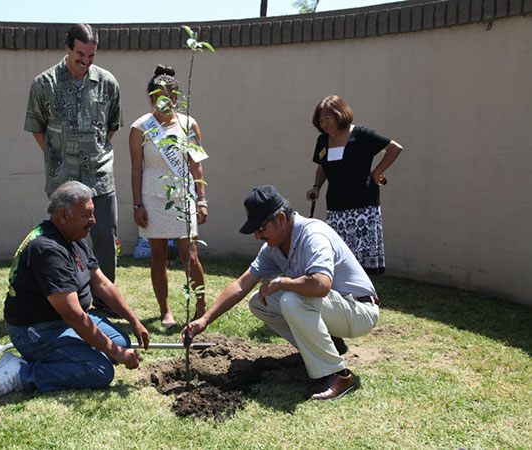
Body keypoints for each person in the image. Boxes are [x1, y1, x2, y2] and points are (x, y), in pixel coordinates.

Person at [183, 185, 380, 401]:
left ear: (281, 218)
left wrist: (279, 282)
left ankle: (338, 375)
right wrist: (205, 320)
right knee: (258, 302)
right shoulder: (273, 247)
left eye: (261, 228)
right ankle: (330, 346)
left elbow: (321, 285)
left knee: (291, 299)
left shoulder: (313, 234)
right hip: (335, 309)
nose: (257, 236)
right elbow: (241, 285)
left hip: (358, 310)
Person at [0, 181, 149, 404]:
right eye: (87, 215)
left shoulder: (73, 239)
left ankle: (79, 351)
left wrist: (134, 320)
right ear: (63, 215)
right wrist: (115, 353)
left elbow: (102, 285)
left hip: (62, 321)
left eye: (93, 213)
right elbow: (73, 315)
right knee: (99, 369)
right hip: (36, 330)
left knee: (121, 341)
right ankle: (21, 373)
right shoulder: (47, 250)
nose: (93, 221)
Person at [24, 24, 122, 310]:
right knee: (62, 240)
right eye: (80, 54)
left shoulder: (107, 82)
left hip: (100, 177)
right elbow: (37, 128)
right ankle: (66, 299)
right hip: (63, 179)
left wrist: (92, 152)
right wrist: (57, 158)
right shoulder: (43, 84)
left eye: (91, 55)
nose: (86, 60)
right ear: (67, 48)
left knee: (104, 235)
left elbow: (111, 127)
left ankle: (105, 302)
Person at [129, 65, 208, 329]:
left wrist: (202, 199)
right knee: (158, 257)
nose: (163, 101)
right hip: (152, 199)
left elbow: (196, 164)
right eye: (157, 97)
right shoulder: (140, 128)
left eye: (168, 96)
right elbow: (136, 168)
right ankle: (165, 311)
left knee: (190, 255)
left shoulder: (189, 124)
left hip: (183, 197)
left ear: (176, 98)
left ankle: (200, 305)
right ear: (151, 98)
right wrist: (137, 204)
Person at [306, 95, 403, 275]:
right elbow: (322, 167)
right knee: (339, 256)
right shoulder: (323, 141)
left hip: (363, 207)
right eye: (321, 121)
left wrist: (377, 173)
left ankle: (363, 295)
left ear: (340, 114)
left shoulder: (361, 135)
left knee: (361, 258)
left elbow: (394, 148)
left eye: (328, 118)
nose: (324, 124)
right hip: (336, 207)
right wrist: (316, 186)